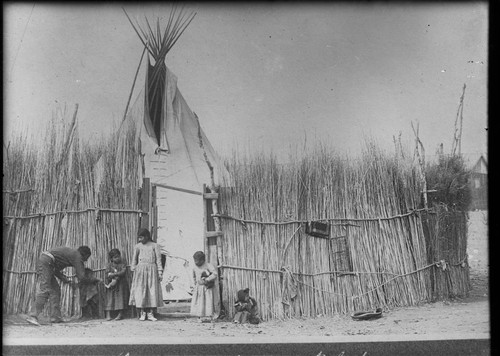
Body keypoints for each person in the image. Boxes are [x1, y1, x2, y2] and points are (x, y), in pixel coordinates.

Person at [26, 246, 93, 326]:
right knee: (45, 288)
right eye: (87, 258)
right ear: (84, 254)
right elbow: (81, 277)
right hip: (47, 262)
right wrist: (92, 280)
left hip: (47, 262)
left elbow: (55, 271)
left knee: (55, 290)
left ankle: (55, 317)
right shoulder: (77, 256)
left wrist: (67, 281)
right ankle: (33, 316)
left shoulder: (69, 255)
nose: (85, 260)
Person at [129, 228, 163, 321]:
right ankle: (142, 312)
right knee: (141, 290)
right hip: (140, 271)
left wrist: (160, 272)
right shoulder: (138, 246)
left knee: (152, 291)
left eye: (142, 237)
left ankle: (151, 313)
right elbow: (134, 259)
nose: (140, 240)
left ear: (147, 236)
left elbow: (158, 260)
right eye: (139, 238)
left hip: (152, 270)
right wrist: (134, 269)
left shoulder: (155, 246)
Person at [190, 251, 217, 322]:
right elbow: (193, 276)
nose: (196, 263)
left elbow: (214, 274)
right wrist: (194, 284)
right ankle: (199, 317)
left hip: (207, 287)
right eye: (195, 261)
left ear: (202, 260)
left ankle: (210, 316)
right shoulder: (194, 267)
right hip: (199, 287)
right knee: (199, 302)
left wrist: (208, 279)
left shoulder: (208, 265)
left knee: (208, 301)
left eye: (198, 261)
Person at [104, 248, 129, 321]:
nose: (118, 258)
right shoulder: (109, 265)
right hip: (112, 285)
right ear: (111, 259)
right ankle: (108, 314)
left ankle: (120, 314)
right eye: (115, 257)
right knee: (109, 299)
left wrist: (114, 275)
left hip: (121, 284)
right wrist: (111, 278)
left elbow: (123, 272)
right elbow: (107, 274)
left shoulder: (123, 264)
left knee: (120, 298)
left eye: (118, 256)